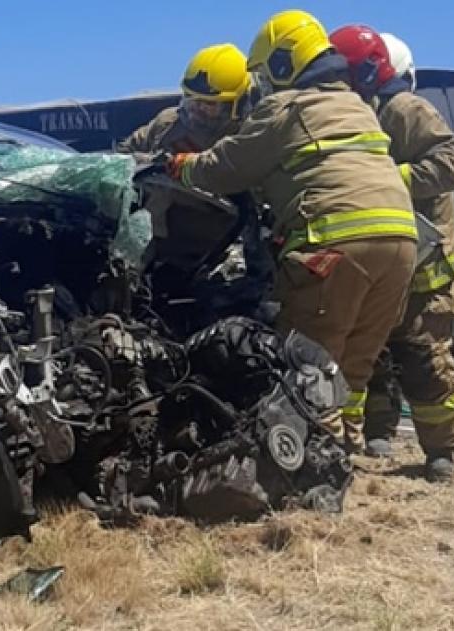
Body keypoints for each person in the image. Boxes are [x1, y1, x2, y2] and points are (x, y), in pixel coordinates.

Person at [166, 9, 418, 452]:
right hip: (400, 247)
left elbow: (228, 167)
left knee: (306, 363)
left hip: (337, 245)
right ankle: (344, 455)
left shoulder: (287, 106)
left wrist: (182, 167)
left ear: (283, 65)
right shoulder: (356, 105)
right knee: (352, 370)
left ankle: (309, 467)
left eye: (264, 74)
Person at [330, 25, 454, 481]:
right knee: (366, 353)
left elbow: (449, 165)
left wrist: (387, 181)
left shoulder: (406, 109)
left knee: (424, 356)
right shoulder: (357, 113)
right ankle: (359, 442)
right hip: (386, 255)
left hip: (426, 265)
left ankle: (441, 453)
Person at [118, 44, 255, 154]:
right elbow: (123, 156)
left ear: (236, 106)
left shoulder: (247, 137)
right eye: (191, 97)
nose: (196, 108)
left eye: (208, 103)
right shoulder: (167, 124)